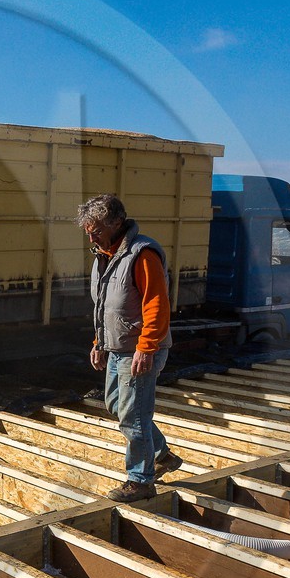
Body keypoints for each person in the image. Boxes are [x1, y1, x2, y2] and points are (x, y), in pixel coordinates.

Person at [80, 193, 185, 502]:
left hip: (138, 349)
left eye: (96, 227)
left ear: (116, 222)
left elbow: (156, 305)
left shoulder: (142, 254)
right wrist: (99, 341)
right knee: (117, 404)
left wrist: (147, 348)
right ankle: (162, 455)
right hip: (116, 347)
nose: (91, 233)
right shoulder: (104, 253)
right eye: (88, 228)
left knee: (133, 415)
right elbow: (105, 307)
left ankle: (140, 480)